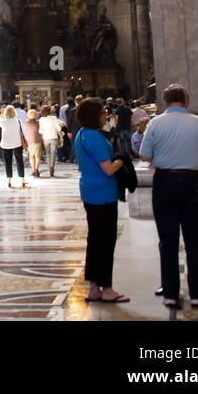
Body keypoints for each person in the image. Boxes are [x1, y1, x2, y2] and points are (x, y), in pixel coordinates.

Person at [139, 84, 198, 310]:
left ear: (164, 101)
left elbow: (144, 155)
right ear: (186, 100)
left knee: (168, 240)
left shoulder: (155, 123)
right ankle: (196, 295)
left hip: (165, 182)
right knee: (194, 239)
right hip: (194, 181)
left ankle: (171, 294)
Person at [73, 97, 128, 302]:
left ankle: (94, 288)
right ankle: (107, 289)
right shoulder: (95, 138)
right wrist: (122, 159)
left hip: (90, 191)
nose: (106, 115)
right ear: (94, 116)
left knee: (95, 241)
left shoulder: (81, 135)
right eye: (103, 112)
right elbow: (108, 169)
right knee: (105, 241)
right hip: (103, 193)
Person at [0, 104, 27, 188]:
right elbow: (23, 131)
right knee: (19, 161)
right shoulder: (18, 121)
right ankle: (22, 178)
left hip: (6, 144)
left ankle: (9, 179)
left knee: (8, 162)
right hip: (17, 143)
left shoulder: (2, 121)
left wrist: (2, 113)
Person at [40, 106, 65, 177]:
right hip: (54, 137)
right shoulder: (53, 118)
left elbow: (41, 131)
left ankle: (49, 167)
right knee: (53, 154)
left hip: (46, 138)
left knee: (48, 154)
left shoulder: (41, 119)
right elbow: (58, 128)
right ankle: (52, 167)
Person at [22, 109, 43, 177]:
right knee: (37, 156)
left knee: (31, 156)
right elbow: (41, 131)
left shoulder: (26, 123)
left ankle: (33, 170)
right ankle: (37, 169)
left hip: (29, 141)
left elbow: (24, 132)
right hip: (37, 140)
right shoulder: (38, 122)